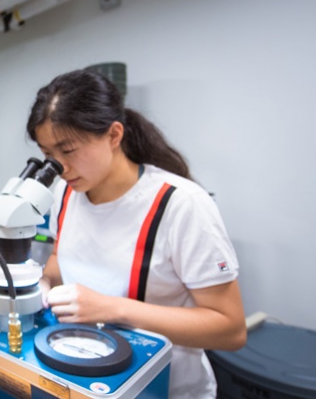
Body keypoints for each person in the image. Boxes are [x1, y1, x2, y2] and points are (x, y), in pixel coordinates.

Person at [27, 69, 246, 398]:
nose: (60, 168)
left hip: (166, 388)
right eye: (48, 155)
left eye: (68, 151)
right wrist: (43, 282)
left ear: (114, 135)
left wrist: (113, 308)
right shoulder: (66, 193)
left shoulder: (181, 204)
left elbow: (230, 329)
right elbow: (62, 254)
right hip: (90, 378)